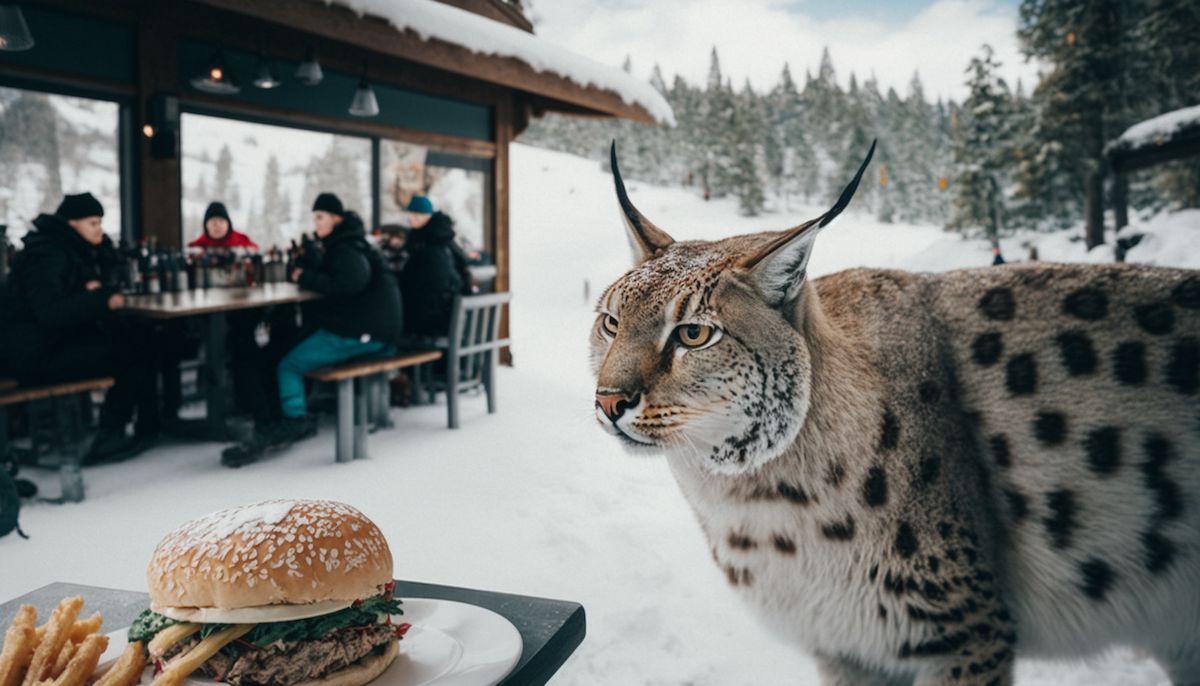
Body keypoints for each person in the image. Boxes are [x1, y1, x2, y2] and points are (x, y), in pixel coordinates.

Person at [221, 193, 404, 467]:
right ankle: (284, 414)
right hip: (375, 330)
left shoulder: (346, 248)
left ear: (336, 219)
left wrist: (303, 276)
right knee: (290, 344)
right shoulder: (351, 242)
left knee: (289, 364)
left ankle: (294, 420)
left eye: (320, 217)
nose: (316, 223)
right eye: (315, 217)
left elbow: (349, 283)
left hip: (363, 333)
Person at [0, 193, 159, 462]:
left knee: (137, 338)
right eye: (93, 223)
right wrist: (100, 300)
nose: (100, 230)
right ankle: (111, 437)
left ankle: (139, 428)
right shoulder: (47, 254)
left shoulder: (65, 248)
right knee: (133, 351)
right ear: (72, 224)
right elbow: (50, 313)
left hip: (46, 346)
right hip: (32, 358)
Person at [398, 195, 473, 337]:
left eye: (415, 214)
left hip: (434, 325)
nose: (411, 218)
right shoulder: (443, 239)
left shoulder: (429, 245)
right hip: (450, 317)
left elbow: (428, 290)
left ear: (425, 216)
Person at [187, 202, 258, 249]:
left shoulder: (242, 242)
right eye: (213, 223)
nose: (218, 226)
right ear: (206, 226)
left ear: (228, 224)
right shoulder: (197, 246)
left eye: (221, 221)